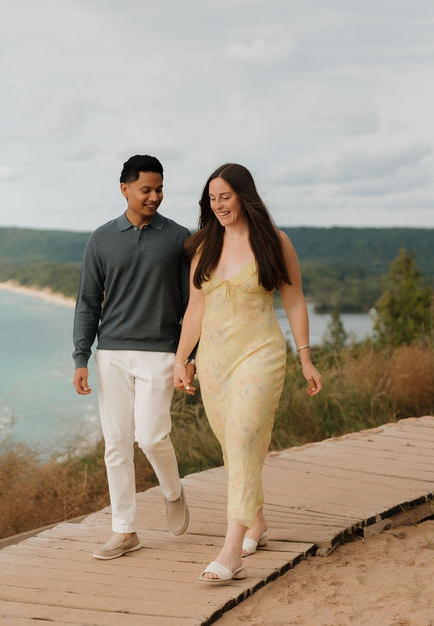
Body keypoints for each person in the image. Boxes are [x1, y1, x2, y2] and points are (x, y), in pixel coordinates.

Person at [172, 162, 322, 585]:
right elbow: (195, 310)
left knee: (241, 435)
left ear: (244, 196)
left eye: (226, 196)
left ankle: (231, 549)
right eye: (212, 198)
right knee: (235, 443)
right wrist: (181, 359)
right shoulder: (205, 247)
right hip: (215, 362)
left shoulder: (275, 242)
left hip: (260, 354)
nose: (218, 205)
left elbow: (294, 301)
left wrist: (306, 357)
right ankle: (257, 523)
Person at [72, 153, 194, 560]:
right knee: (117, 445)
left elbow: (195, 303)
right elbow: (88, 302)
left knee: (152, 435)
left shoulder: (178, 238)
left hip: (161, 351)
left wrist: (189, 356)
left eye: (160, 189)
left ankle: (173, 491)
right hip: (111, 355)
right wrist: (80, 357)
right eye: (146, 189)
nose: (155, 196)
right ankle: (125, 531)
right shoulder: (102, 238)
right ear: (124, 188)